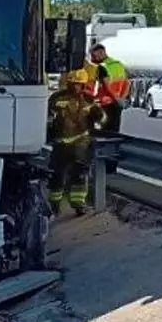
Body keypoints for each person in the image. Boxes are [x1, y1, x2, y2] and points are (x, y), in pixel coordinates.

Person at [47, 69, 105, 215]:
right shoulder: (57, 98)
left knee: (79, 175)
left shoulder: (88, 100)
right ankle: (54, 205)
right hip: (64, 144)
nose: (75, 87)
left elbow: (101, 119)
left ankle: (77, 204)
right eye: (73, 84)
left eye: (78, 84)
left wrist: (98, 115)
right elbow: (47, 117)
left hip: (80, 143)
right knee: (58, 176)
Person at [84, 43, 127, 135]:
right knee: (114, 131)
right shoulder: (118, 64)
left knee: (104, 132)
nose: (93, 59)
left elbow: (107, 86)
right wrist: (121, 99)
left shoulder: (102, 66)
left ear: (101, 52)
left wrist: (116, 98)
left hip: (105, 103)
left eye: (94, 56)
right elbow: (126, 83)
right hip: (117, 103)